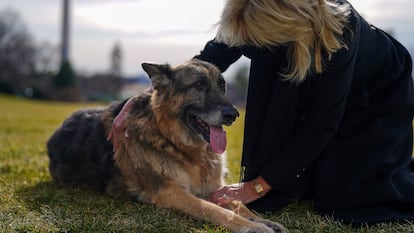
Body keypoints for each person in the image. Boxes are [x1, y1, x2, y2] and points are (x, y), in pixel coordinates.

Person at [109, 0, 414, 225]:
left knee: (348, 198)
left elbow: (322, 122)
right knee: (298, 186)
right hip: (308, 67)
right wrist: (145, 98)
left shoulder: (339, 32)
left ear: (285, 28)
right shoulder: (248, 12)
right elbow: (203, 62)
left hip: (376, 90)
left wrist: (257, 186)